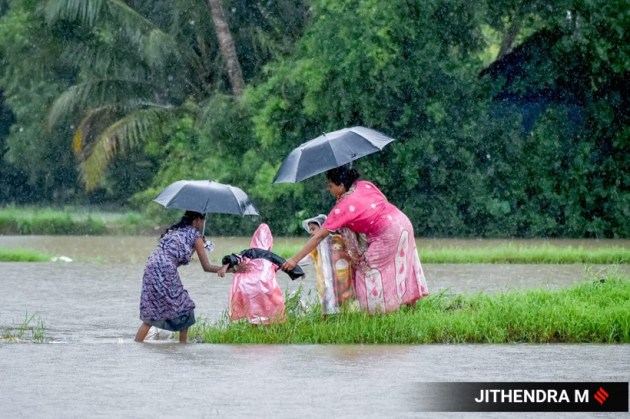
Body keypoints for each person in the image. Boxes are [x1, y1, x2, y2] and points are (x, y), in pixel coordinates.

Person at [282, 166, 429, 314]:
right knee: (403, 263)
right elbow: (381, 201)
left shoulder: (343, 207)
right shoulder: (364, 185)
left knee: (367, 271)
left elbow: (319, 236)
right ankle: (410, 310)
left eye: (331, 185)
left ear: (341, 185)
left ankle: (375, 314)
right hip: (402, 221)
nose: (328, 189)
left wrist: (294, 260)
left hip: (387, 233)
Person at [134, 211, 227, 343]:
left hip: (150, 268)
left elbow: (178, 255)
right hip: (165, 269)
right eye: (202, 220)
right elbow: (207, 267)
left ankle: (136, 345)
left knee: (151, 312)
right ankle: (183, 346)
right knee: (186, 308)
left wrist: (197, 245)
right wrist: (230, 269)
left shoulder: (174, 231)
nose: (203, 223)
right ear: (196, 221)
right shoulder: (196, 236)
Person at [220, 223, 286, 325]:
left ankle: (253, 330)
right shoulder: (271, 256)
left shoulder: (247, 253)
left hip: (246, 289)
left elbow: (233, 258)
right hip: (266, 288)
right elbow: (286, 265)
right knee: (272, 310)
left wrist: (225, 267)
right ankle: (270, 330)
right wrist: (298, 272)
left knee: (251, 314)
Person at [298, 214, 355, 317]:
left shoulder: (337, 240)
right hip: (324, 278)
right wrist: (295, 263)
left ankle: (344, 318)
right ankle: (326, 319)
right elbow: (309, 257)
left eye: (313, 229)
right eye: (310, 230)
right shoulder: (316, 245)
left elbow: (349, 252)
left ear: (323, 227)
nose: (311, 232)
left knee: (341, 297)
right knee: (325, 299)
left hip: (339, 276)